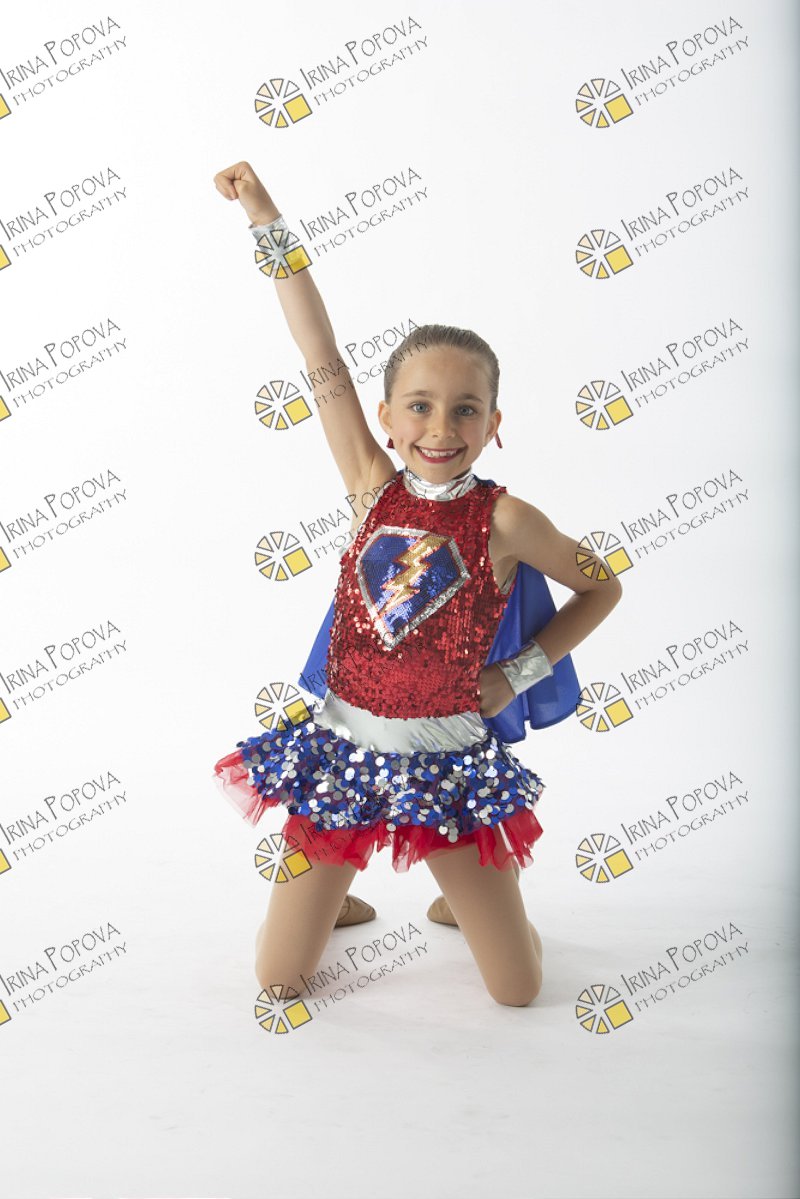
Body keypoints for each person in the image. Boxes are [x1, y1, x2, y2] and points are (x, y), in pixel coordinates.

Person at [211, 161, 623, 1007]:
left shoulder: (507, 521)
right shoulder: (370, 484)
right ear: (389, 418)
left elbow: (601, 587)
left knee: (517, 990)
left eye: (466, 408)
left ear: (494, 423)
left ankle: (476, 902)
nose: (442, 426)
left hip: (449, 765)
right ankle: (330, 898)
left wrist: (518, 672)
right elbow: (318, 352)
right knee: (279, 980)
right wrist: (265, 216)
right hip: (342, 754)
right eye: (421, 406)